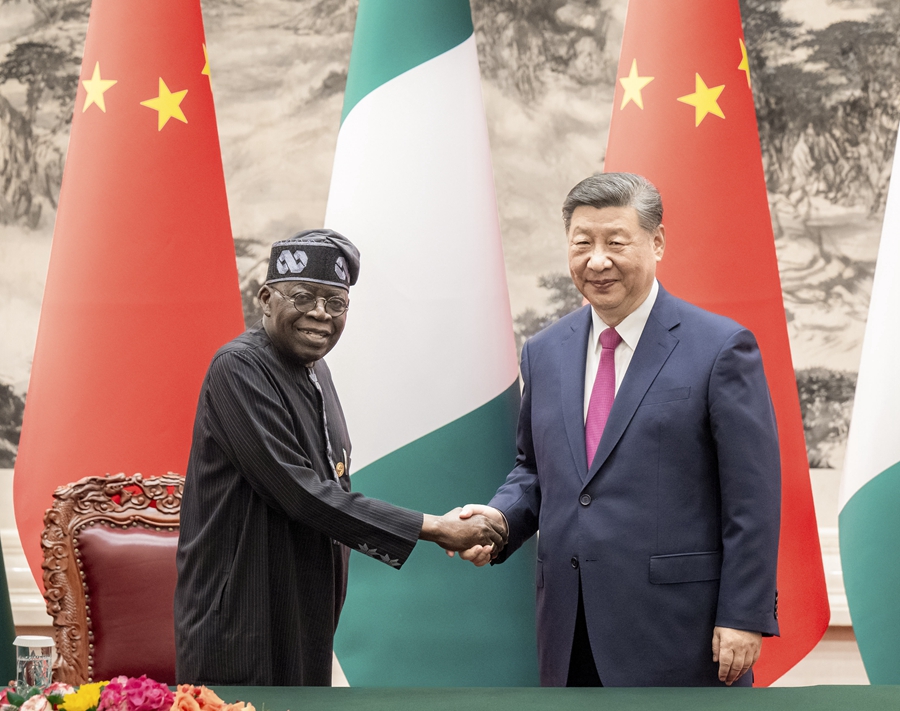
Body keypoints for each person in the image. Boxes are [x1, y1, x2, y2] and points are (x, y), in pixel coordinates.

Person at [457, 173, 780, 687]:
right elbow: (536, 471)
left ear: (657, 242)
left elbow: (752, 498)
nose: (597, 260)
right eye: (582, 243)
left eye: (615, 242)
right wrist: (497, 520)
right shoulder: (544, 352)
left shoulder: (720, 348)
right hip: (568, 627)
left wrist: (744, 614)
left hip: (680, 631)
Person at [174, 230, 506, 686]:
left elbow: (334, 484)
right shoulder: (239, 367)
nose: (319, 314)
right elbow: (303, 495)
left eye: (337, 303)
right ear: (267, 298)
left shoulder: (315, 369)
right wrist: (435, 527)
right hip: (243, 620)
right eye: (304, 297)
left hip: (306, 614)